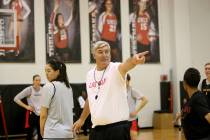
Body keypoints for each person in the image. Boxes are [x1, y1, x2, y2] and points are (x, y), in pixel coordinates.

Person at [73, 40, 148, 140]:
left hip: (117, 129)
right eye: (100, 52)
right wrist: (81, 119)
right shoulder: (90, 74)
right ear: (94, 55)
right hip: (96, 130)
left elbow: (127, 64)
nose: (104, 55)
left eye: (107, 51)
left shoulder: (116, 68)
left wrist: (134, 61)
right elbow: (90, 100)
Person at [40, 59, 74, 139]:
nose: (46, 74)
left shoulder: (48, 86)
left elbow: (43, 115)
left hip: (52, 133)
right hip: (68, 133)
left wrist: (41, 129)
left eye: (49, 71)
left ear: (57, 71)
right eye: (45, 71)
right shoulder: (69, 87)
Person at [181, 67, 210, 140]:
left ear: (184, 83)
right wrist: (180, 114)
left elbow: (208, 116)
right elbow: (189, 112)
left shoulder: (198, 98)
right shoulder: (191, 99)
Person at [14, 74, 42, 140]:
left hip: (41, 114)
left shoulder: (43, 89)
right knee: (30, 133)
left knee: (41, 133)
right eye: (36, 80)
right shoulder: (29, 89)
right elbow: (16, 99)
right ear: (33, 81)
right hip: (32, 113)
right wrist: (26, 107)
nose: (38, 82)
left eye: (39, 80)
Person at [126, 74, 148, 140]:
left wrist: (136, 111)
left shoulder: (132, 90)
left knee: (133, 138)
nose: (124, 82)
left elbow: (145, 100)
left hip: (132, 120)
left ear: (128, 81)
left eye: (125, 80)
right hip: (122, 121)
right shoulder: (119, 91)